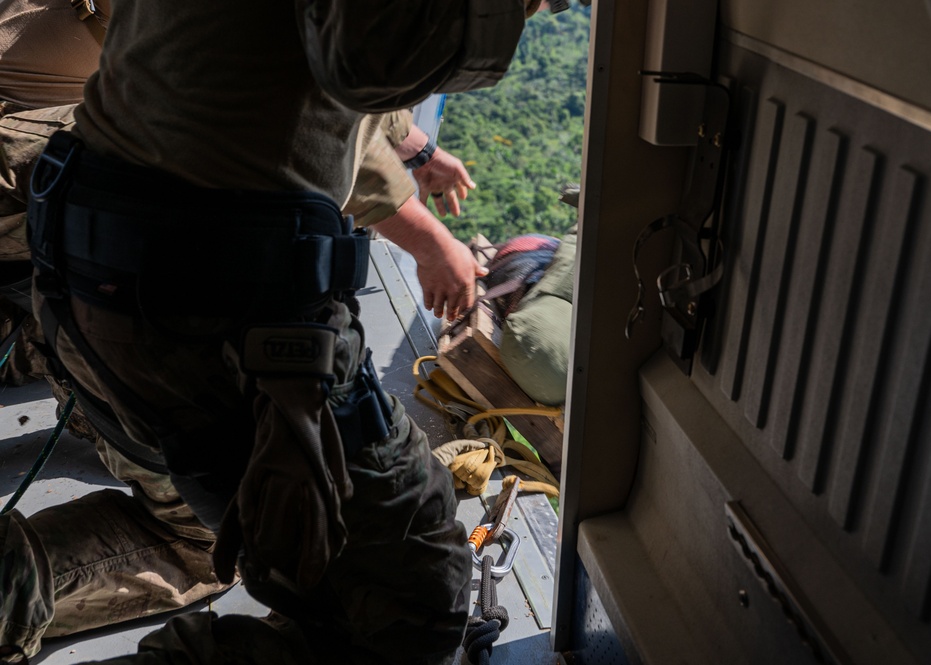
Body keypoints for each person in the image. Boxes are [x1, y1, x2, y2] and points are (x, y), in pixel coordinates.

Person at [2, 1, 542, 664]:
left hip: (93, 268)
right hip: (207, 304)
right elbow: (383, 60)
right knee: (407, 605)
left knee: (236, 531)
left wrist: (417, 154)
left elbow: (296, 72)